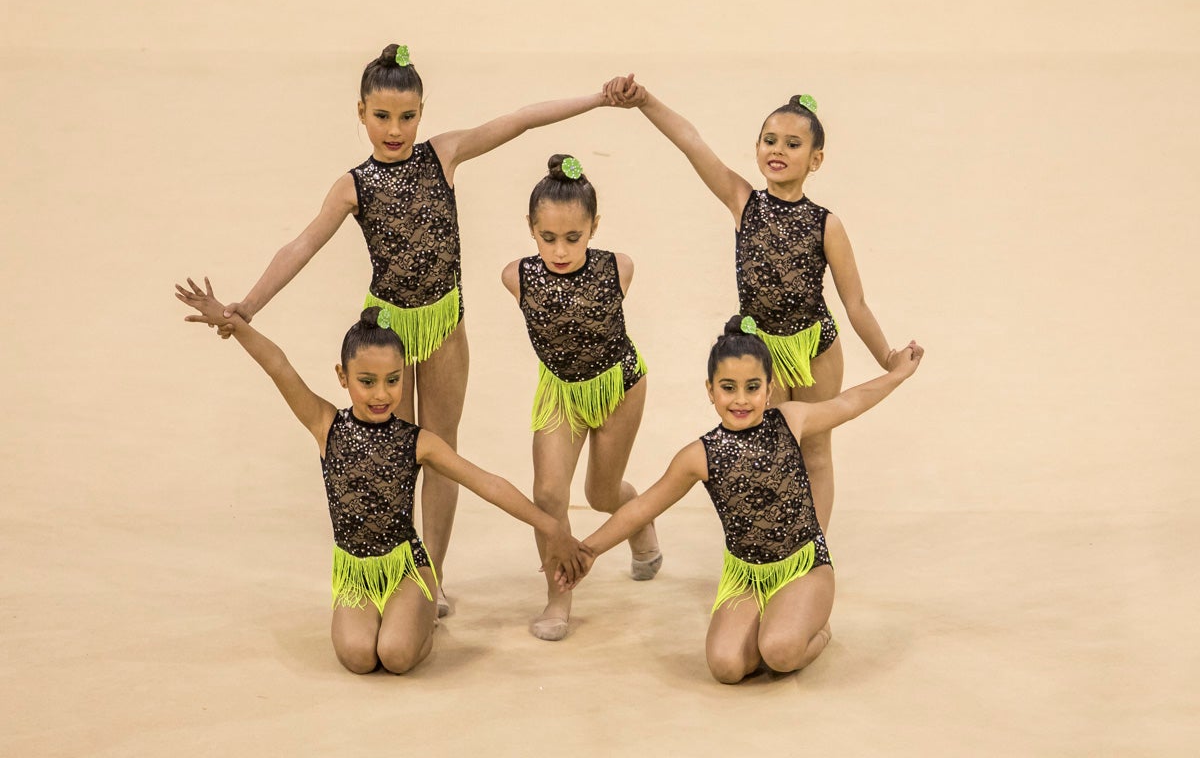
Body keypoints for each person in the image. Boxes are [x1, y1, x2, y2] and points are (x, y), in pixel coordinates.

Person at [217, 45, 633, 616]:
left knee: (439, 450)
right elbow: (303, 245)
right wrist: (249, 305)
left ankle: (432, 573)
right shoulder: (353, 185)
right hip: (388, 331)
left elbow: (519, 120)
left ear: (422, 113)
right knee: (396, 449)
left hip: (442, 325)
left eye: (408, 116)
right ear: (361, 112)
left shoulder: (443, 155)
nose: (395, 130)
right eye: (382, 116)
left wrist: (597, 99)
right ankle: (402, 566)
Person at [175, 277, 589, 675]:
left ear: (403, 374)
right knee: (358, 656)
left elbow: (486, 483)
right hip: (356, 570)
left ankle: (422, 611)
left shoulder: (417, 441)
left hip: (405, 567)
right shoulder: (326, 425)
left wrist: (551, 526)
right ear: (343, 377)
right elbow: (278, 365)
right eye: (367, 381)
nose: (381, 394)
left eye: (393, 381)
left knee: (395, 655)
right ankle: (388, 615)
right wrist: (233, 323)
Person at [603, 77, 896, 534]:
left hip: (815, 347)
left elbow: (854, 302)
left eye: (793, 144)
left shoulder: (826, 225)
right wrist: (646, 101)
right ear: (757, 147)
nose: (778, 150)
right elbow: (691, 143)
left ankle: (814, 549)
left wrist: (888, 357)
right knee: (769, 448)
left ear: (816, 159)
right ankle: (773, 540)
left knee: (816, 451)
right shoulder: (744, 203)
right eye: (769, 140)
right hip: (762, 353)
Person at [563, 316, 923, 683]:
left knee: (779, 653)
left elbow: (848, 403)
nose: (740, 399)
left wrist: (897, 373)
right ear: (710, 390)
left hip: (804, 564)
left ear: (769, 388)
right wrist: (589, 550)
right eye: (728, 387)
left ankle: (817, 630)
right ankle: (777, 620)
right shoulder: (699, 456)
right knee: (726, 667)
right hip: (747, 575)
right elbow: (643, 507)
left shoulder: (790, 420)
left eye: (752, 387)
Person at [500, 154, 661, 641]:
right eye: (547, 237)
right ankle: (558, 596)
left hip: (618, 386)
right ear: (531, 228)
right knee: (549, 494)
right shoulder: (517, 276)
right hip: (561, 392)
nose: (561, 250)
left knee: (601, 495)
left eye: (574, 237)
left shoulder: (618, 268)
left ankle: (639, 523)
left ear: (594, 226)